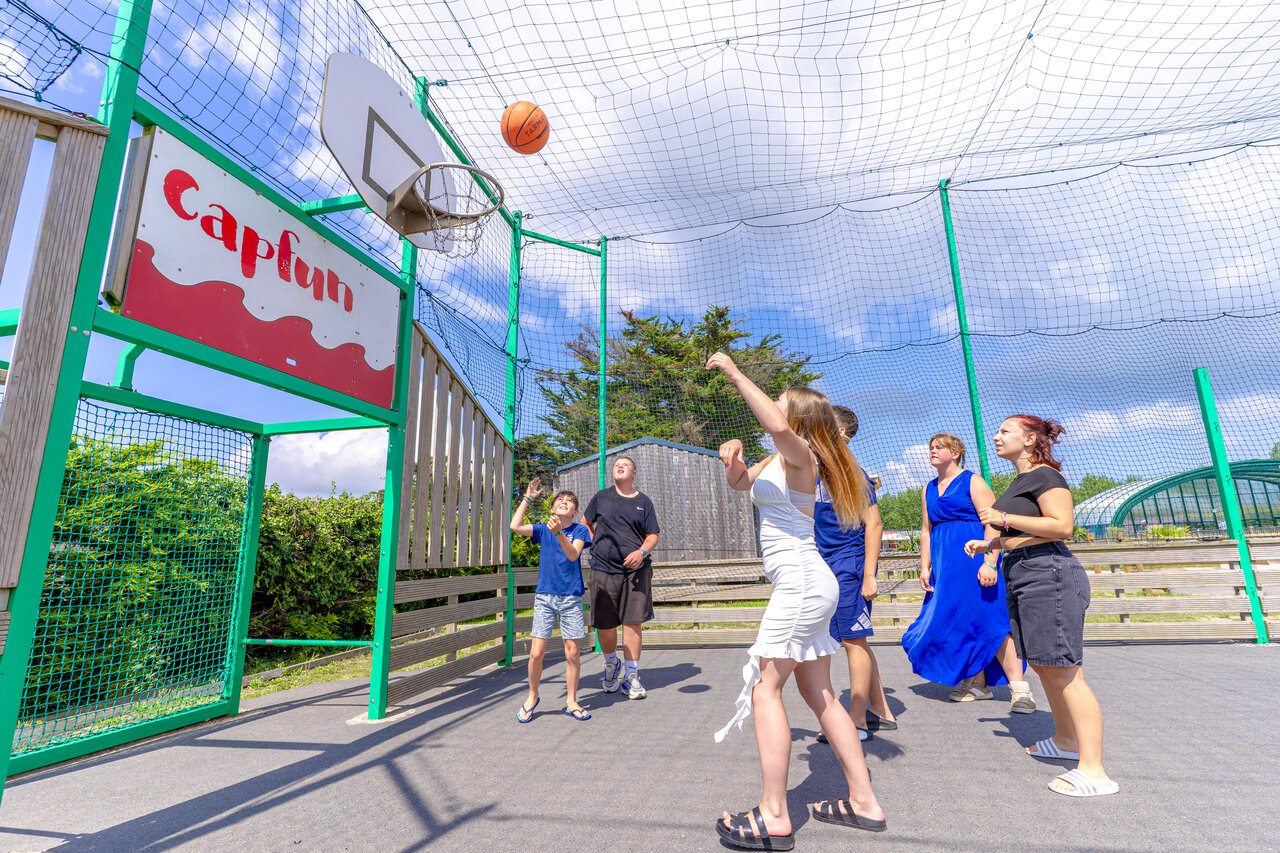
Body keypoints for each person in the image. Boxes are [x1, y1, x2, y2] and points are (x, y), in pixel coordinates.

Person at [709, 352, 885, 850]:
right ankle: (865, 803)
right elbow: (741, 485)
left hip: (804, 584)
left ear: (796, 419)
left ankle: (774, 814)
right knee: (820, 695)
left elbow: (775, 423)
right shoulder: (777, 458)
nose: (775, 411)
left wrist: (737, 373)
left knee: (766, 690)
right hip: (809, 582)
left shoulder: (803, 453)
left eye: (782, 406)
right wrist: (735, 460)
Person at [964, 416, 1118, 798]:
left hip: (1050, 575)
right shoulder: (1021, 480)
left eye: (1004, 432)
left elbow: (1062, 525)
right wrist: (992, 545)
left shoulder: (1046, 475)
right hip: (1026, 574)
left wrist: (1003, 519)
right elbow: (1029, 534)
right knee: (1046, 665)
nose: (995, 437)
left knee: (1066, 671)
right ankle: (1066, 740)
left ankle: (1095, 771)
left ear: (1030, 439)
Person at [901, 433, 1034, 713]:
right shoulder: (928, 488)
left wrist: (989, 562)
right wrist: (925, 566)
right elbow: (926, 530)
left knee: (992, 620)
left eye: (939, 447)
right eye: (931, 448)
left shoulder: (972, 480)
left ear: (957, 452)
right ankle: (977, 683)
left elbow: (995, 523)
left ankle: (1020, 691)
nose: (933, 451)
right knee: (959, 620)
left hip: (974, 561)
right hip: (945, 567)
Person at [814, 405, 896, 743]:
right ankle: (882, 710)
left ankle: (857, 720)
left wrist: (869, 575)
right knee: (850, 638)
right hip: (823, 563)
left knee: (852, 639)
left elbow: (874, 524)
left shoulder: (852, 473)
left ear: (841, 432)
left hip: (850, 563)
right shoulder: (814, 467)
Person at [509, 478, 592, 722]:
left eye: (569, 502)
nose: (564, 503)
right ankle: (533, 696)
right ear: (553, 509)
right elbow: (515, 526)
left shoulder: (579, 530)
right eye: (560, 501)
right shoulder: (543, 529)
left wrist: (559, 534)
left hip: (570, 598)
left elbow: (573, 553)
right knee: (536, 653)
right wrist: (527, 498)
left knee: (573, 652)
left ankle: (571, 701)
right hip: (545, 597)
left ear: (575, 512)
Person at [583, 456, 660, 700]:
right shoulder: (601, 497)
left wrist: (641, 552)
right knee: (604, 625)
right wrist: (598, 543)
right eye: (616, 464)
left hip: (636, 571)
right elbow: (585, 523)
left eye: (625, 464)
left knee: (632, 622)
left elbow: (653, 536)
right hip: (603, 568)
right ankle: (610, 665)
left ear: (634, 472)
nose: (619, 465)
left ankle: (631, 676)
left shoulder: (643, 501)